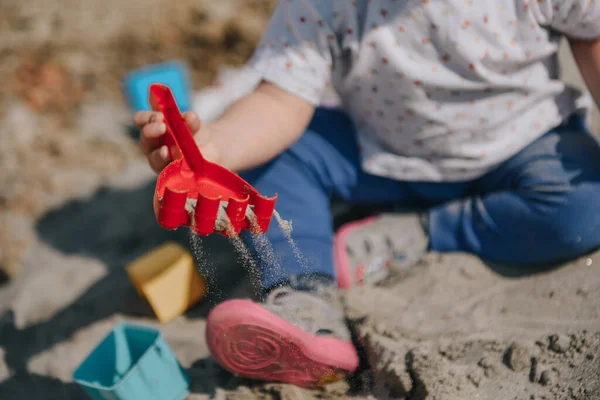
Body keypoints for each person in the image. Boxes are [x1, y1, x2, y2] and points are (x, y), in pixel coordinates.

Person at [134, 0, 600, 388]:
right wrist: (212, 148)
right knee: (274, 159)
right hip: (381, 154)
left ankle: (423, 231)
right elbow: (279, 101)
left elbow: (591, 35)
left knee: (584, 207)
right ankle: (304, 299)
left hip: (522, 146)